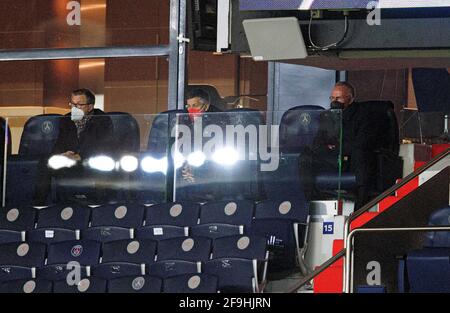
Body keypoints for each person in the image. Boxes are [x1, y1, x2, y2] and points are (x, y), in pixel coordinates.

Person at [301, 82, 396, 209]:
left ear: (350, 99)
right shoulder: (326, 116)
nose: (334, 101)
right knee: (305, 156)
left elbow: (362, 142)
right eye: (332, 98)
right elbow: (318, 143)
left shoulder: (364, 114)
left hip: (352, 160)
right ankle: (309, 200)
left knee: (361, 154)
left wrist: (337, 147)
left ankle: (361, 207)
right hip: (333, 160)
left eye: (338, 98)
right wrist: (329, 149)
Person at [33, 88, 113, 205]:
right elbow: (59, 144)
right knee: (46, 162)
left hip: (90, 160)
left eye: (79, 105)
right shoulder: (66, 120)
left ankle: (99, 207)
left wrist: (80, 156)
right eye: (72, 104)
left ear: (90, 107)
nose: (75, 108)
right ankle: (39, 206)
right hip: (68, 161)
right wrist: (61, 155)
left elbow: (103, 146)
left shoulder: (102, 120)